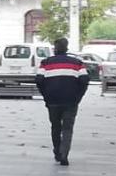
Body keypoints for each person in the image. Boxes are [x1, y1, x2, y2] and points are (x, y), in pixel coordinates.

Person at [35, 36, 90, 165]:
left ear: (55, 49)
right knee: (67, 128)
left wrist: (46, 96)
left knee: (55, 126)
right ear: (67, 48)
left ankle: (57, 151)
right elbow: (85, 80)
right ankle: (64, 153)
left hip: (52, 101)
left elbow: (38, 80)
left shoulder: (46, 63)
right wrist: (78, 97)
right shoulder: (77, 63)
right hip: (71, 101)